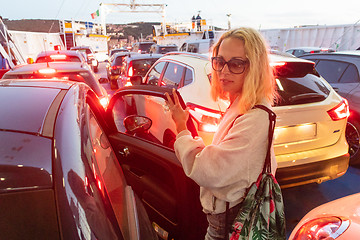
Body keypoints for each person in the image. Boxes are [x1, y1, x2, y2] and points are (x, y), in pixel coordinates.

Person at [165, 27, 278, 240]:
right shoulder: (241, 103)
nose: (224, 71)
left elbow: (210, 171)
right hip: (226, 215)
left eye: (236, 64)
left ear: (255, 68)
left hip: (232, 220)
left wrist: (181, 128)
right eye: (219, 62)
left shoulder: (256, 116)